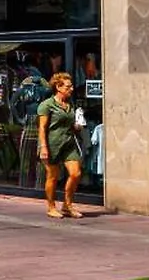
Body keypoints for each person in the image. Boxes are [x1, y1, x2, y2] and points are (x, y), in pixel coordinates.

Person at [37, 71, 85, 218]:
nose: (71, 89)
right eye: (68, 86)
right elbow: (42, 128)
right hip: (52, 144)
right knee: (52, 176)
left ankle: (67, 205)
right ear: (58, 86)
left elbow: (69, 124)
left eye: (71, 86)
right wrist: (43, 147)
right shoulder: (47, 105)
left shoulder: (70, 105)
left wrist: (77, 126)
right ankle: (51, 207)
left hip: (69, 143)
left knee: (75, 173)